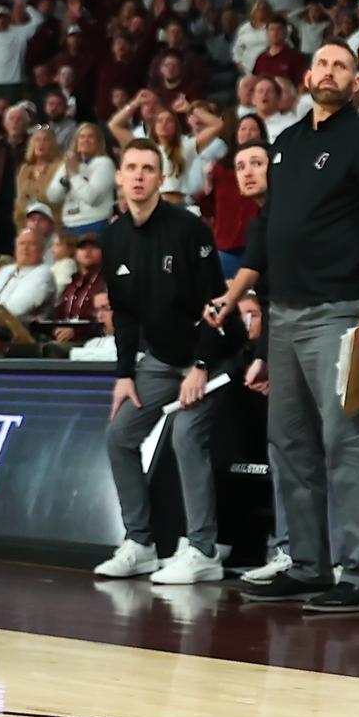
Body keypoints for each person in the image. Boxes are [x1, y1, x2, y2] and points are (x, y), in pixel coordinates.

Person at [221, 42, 359, 611]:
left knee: (344, 439)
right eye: (322, 64)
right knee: (290, 441)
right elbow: (271, 227)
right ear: (306, 77)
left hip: (340, 311)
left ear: (356, 82)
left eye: (341, 66)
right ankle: (306, 563)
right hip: (284, 314)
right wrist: (238, 293)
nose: (329, 72)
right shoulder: (286, 145)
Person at [89, 141, 232, 585]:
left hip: (213, 355)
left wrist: (202, 366)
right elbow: (125, 313)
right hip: (159, 359)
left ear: (161, 176)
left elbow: (216, 303)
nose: (138, 176)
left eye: (147, 169)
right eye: (130, 168)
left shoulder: (188, 229)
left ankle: (203, 550)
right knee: (119, 435)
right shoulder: (113, 237)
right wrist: (124, 374)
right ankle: (141, 544)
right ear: (119, 177)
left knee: (187, 436)